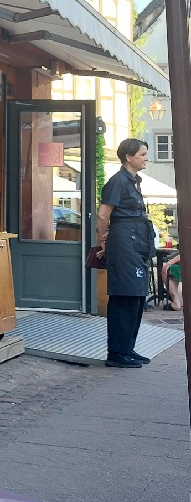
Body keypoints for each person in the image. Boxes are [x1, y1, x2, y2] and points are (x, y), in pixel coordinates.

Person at [95, 138, 156, 368]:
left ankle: (127, 348)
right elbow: (103, 215)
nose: (146, 158)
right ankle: (117, 353)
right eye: (142, 154)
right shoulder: (118, 181)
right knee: (125, 294)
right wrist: (104, 241)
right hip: (123, 242)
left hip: (136, 240)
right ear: (128, 157)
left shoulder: (134, 181)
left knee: (138, 295)